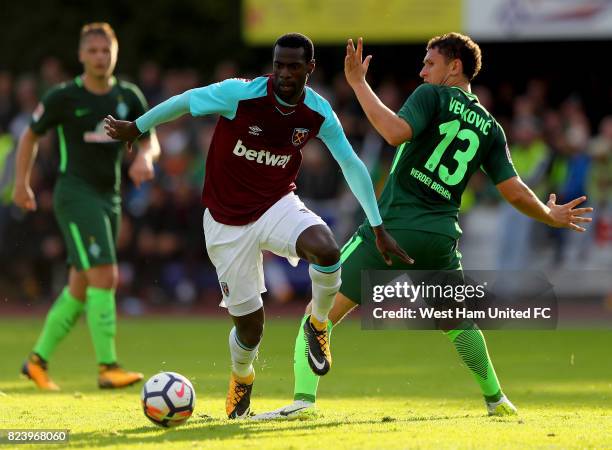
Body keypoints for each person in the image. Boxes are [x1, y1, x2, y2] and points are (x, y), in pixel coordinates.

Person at [256, 32, 593, 419]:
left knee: (318, 314)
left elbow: (395, 132)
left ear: (455, 66)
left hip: (392, 230)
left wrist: (359, 85)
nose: (421, 71)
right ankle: (497, 400)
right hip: (439, 240)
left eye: (429, 63)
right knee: (458, 324)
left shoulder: (431, 96)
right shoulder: (489, 126)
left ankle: (303, 401)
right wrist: (551, 215)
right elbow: (514, 191)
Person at [104, 32, 411, 419]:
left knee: (327, 248)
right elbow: (185, 101)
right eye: (279, 64)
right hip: (225, 222)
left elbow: (350, 163)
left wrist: (378, 224)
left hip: (276, 204)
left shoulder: (318, 112)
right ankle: (242, 379)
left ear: (310, 68)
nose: (284, 73)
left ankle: (317, 325)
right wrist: (139, 126)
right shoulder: (240, 94)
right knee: (251, 330)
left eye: (293, 66)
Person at [13, 22, 160, 390]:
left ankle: (36, 361)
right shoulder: (64, 97)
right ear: (81, 55)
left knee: (81, 287)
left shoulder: (128, 96)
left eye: (105, 51)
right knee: (106, 276)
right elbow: (30, 134)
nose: (99, 57)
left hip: (109, 197)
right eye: (92, 51)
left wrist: (146, 158)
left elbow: (150, 139)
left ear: (115, 54)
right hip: (75, 195)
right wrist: (21, 183)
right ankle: (107, 367)